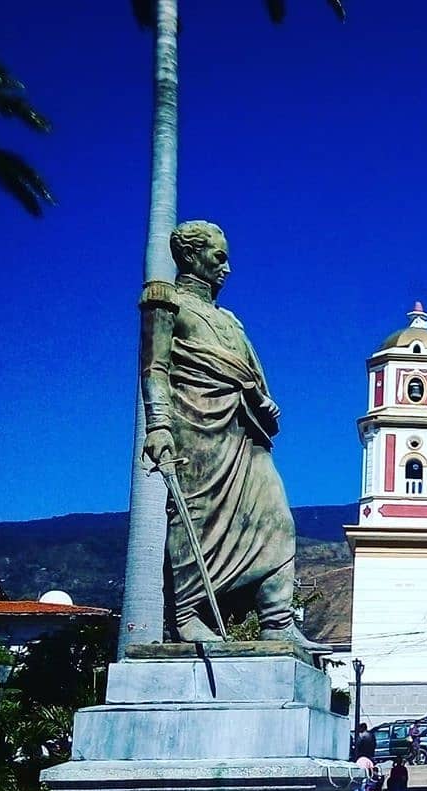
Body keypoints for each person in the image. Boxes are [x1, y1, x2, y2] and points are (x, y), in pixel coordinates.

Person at [141, 220, 319, 647]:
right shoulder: (167, 302)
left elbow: (245, 371)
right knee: (195, 519)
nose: (227, 267)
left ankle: (278, 623)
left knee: (278, 519)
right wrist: (159, 424)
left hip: (243, 431)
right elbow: (154, 368)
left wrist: (261, 397)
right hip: (196, 426)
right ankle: (186, 614)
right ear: (190, 256)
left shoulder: (230, 320)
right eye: (219, 257)